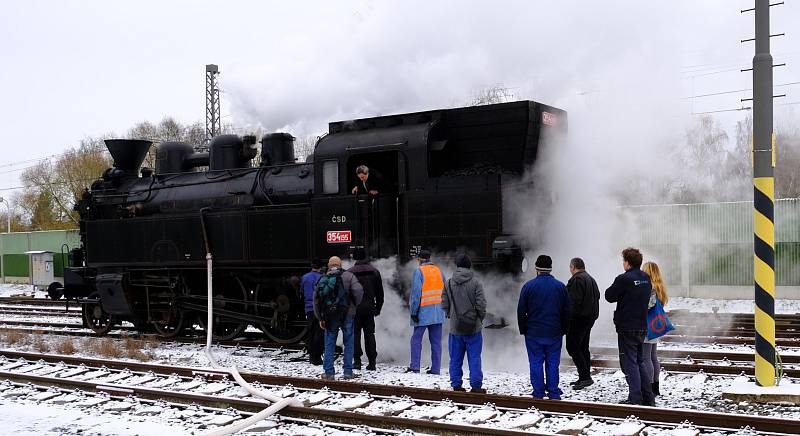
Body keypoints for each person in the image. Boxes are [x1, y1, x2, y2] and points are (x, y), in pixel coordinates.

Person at [605, 247, 655, 406]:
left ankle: (635, 398)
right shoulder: (646, 278)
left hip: (627, 326)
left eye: (623, 261)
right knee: (640, 361)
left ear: (627, 262)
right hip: (641, 325)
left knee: (630, 362)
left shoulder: (624, 279)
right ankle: (648, 397)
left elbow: (609, 296)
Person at [517, 255, 570, 400]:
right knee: (553, 363)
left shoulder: (528, 286)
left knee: (535, 362)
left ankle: (538, 392)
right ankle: (553, 391)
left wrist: (524, 329)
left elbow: (521, 310)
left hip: (533, 333)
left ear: (536, 268)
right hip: (554, 332)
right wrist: (564, 329)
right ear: (551, 268)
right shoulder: (560, 287)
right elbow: (566, 311)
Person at [442, 253, 487, 393]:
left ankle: (456, 385)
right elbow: (481, 304)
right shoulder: (476, 282)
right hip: (474, 327)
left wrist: (452, 315)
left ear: (457, 266)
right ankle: (476, 386)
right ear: (469, 266)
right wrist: (479, 318)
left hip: (455, 328)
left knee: (455, 358)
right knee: (474, 358)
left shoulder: (449, 283)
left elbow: (444, 303)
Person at [314, 256, 363, 380]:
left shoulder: (323, 278)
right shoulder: (349, 276)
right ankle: (347, 372)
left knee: (329, 343)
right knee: (349, 343)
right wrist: (353, 306)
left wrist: (320, 318)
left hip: (330, 317)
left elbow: (316, 300)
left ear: (329, 265)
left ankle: (329, 373)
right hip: (347, 314)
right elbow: (359, 291)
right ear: (340, 265)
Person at [407, 249, 446, 374]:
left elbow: (416, 295)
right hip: (438, 312)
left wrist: (413, 312)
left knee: (416, 339)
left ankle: (415, 366)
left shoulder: (419, 272)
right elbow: (445, 290)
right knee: (436, 342)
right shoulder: (439, 271)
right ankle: (435, 369)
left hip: (423, 312)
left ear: (420, 259)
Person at [565, 257, 600, 390]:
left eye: (570, 267)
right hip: (589, 318)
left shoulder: (577, 279)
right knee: (583, 347)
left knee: (572, 347)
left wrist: (568, 317)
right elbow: (597, 296)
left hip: (578, 319)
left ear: (573, 267)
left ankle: (585, 377)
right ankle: (584, 376)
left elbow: (574, 301)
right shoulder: (590, 278)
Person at [347, 247, 384, 371]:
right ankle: (372, 362)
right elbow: (380, 293)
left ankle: (357, 361)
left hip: (355, 309)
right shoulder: (375, 272)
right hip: (369, 307)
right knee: (369, 334)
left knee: (355, 334)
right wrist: (378, 308)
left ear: (355, 258)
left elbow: (346, 294)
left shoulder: (349, 273)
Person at [642, 261, 668, 397]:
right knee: (653, 357)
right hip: (655, 325)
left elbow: (648, 305)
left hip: (648, 325)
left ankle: (650, 388)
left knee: (646, 357)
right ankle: (655, 386)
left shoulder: (650, 287)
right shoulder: (659, 287)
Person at [301, 258, 325, 365]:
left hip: (309, 308)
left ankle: (311, 355)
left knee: (311, 332)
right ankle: (317, 357)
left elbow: (301, 291)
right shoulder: (322, 278)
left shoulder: (304, 277)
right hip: (319, 309)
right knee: (319, 332)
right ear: (320, 267)